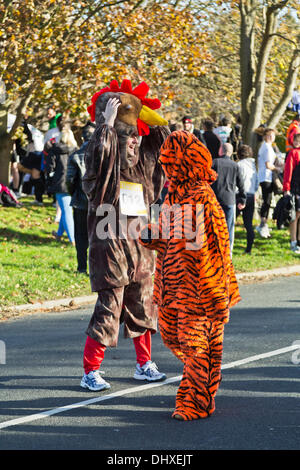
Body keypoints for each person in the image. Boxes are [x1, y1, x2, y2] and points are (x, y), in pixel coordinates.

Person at [139, 130, 241, 420]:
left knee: (195, 343)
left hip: (200, 291)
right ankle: (204, 382)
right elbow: (173, 238)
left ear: (186, 164)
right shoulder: (174, 195)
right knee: (172, 337)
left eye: (172, 166)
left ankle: (194, 401)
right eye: (166, 165)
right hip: (171, 287)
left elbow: (218, 250)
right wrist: (152, 237)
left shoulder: (204, 199)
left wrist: (214, 295)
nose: (167, 171)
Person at [80, 79, 169, 391]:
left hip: (140, 250)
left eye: (134, 137)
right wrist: (106, 125)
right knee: (109, 309)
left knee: (144, 307)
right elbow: (98, 156)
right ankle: (90, 371)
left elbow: (160, 148)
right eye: (127, 137)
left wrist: (150, 119)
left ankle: (144, 364)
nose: (133, 142)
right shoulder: (102, 173)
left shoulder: (141, 171)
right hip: (111, 249)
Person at [66, 122, 95, 274]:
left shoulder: (75, 156)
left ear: (83, 138)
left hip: (81, 201)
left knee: (81, 236)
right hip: (100, 203)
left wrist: (75, 194)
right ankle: (97, 269)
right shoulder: (103, 155)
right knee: (99, 238)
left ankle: (82, 267)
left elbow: (69, 180)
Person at [44, 121, 78, 244]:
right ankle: (59, 234)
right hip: (74, 183)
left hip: (60, 183)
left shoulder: (54, 150)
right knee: (67, 210)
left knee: (66, 211)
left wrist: (50, 179)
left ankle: (72, 240)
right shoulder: (75, 151)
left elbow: (49, 168)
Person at [211, 143, 246, 254]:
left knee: (213, 225)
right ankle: (227, 252)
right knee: (228, 227)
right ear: (231, 153)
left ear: (220, 150)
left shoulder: (214, 163)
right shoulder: (235, 166)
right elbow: (241, 185)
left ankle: (214, 249)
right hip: (230, 199)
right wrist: (242, 199)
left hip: (215, 199)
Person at [257, 128, 283, 238]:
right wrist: (278, 169)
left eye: (273, 136)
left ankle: (264, 224)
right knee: (266, 201)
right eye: (269, 136)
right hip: (266, 177)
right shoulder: (267, 147)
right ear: (265, 136)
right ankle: (262, 225)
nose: (272, 138)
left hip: (266, 177)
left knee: (268, 200)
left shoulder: (267, 146)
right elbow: (268, 165)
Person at [236, 145, 259, 254]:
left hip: (240, 195)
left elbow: (237, 181)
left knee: (230, 221)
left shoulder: (239, 165)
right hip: (251, 194)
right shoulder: (253, 166)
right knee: (248, 224)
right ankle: (249, 248)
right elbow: (256, 181)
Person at [283, 133, 300, 254]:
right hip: (295, 188)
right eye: (296, 140)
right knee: (295, 216)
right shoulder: (293, 153)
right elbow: (288, 172)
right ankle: (293, 241)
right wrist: (286, 188)